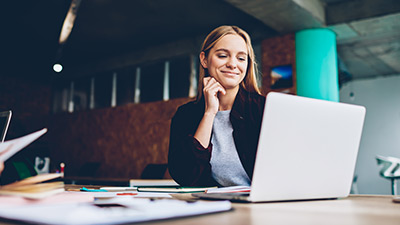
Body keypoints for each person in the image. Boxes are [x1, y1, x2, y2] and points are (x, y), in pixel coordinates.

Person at [168, 25, 265, 187]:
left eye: (241, 58)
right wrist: (209, 113)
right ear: (204, 59)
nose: (233, 64)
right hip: (214, 205)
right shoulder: (186, 114)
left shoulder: (263, 109)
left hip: (263, 206)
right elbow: (186, 176)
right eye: (222, 56)